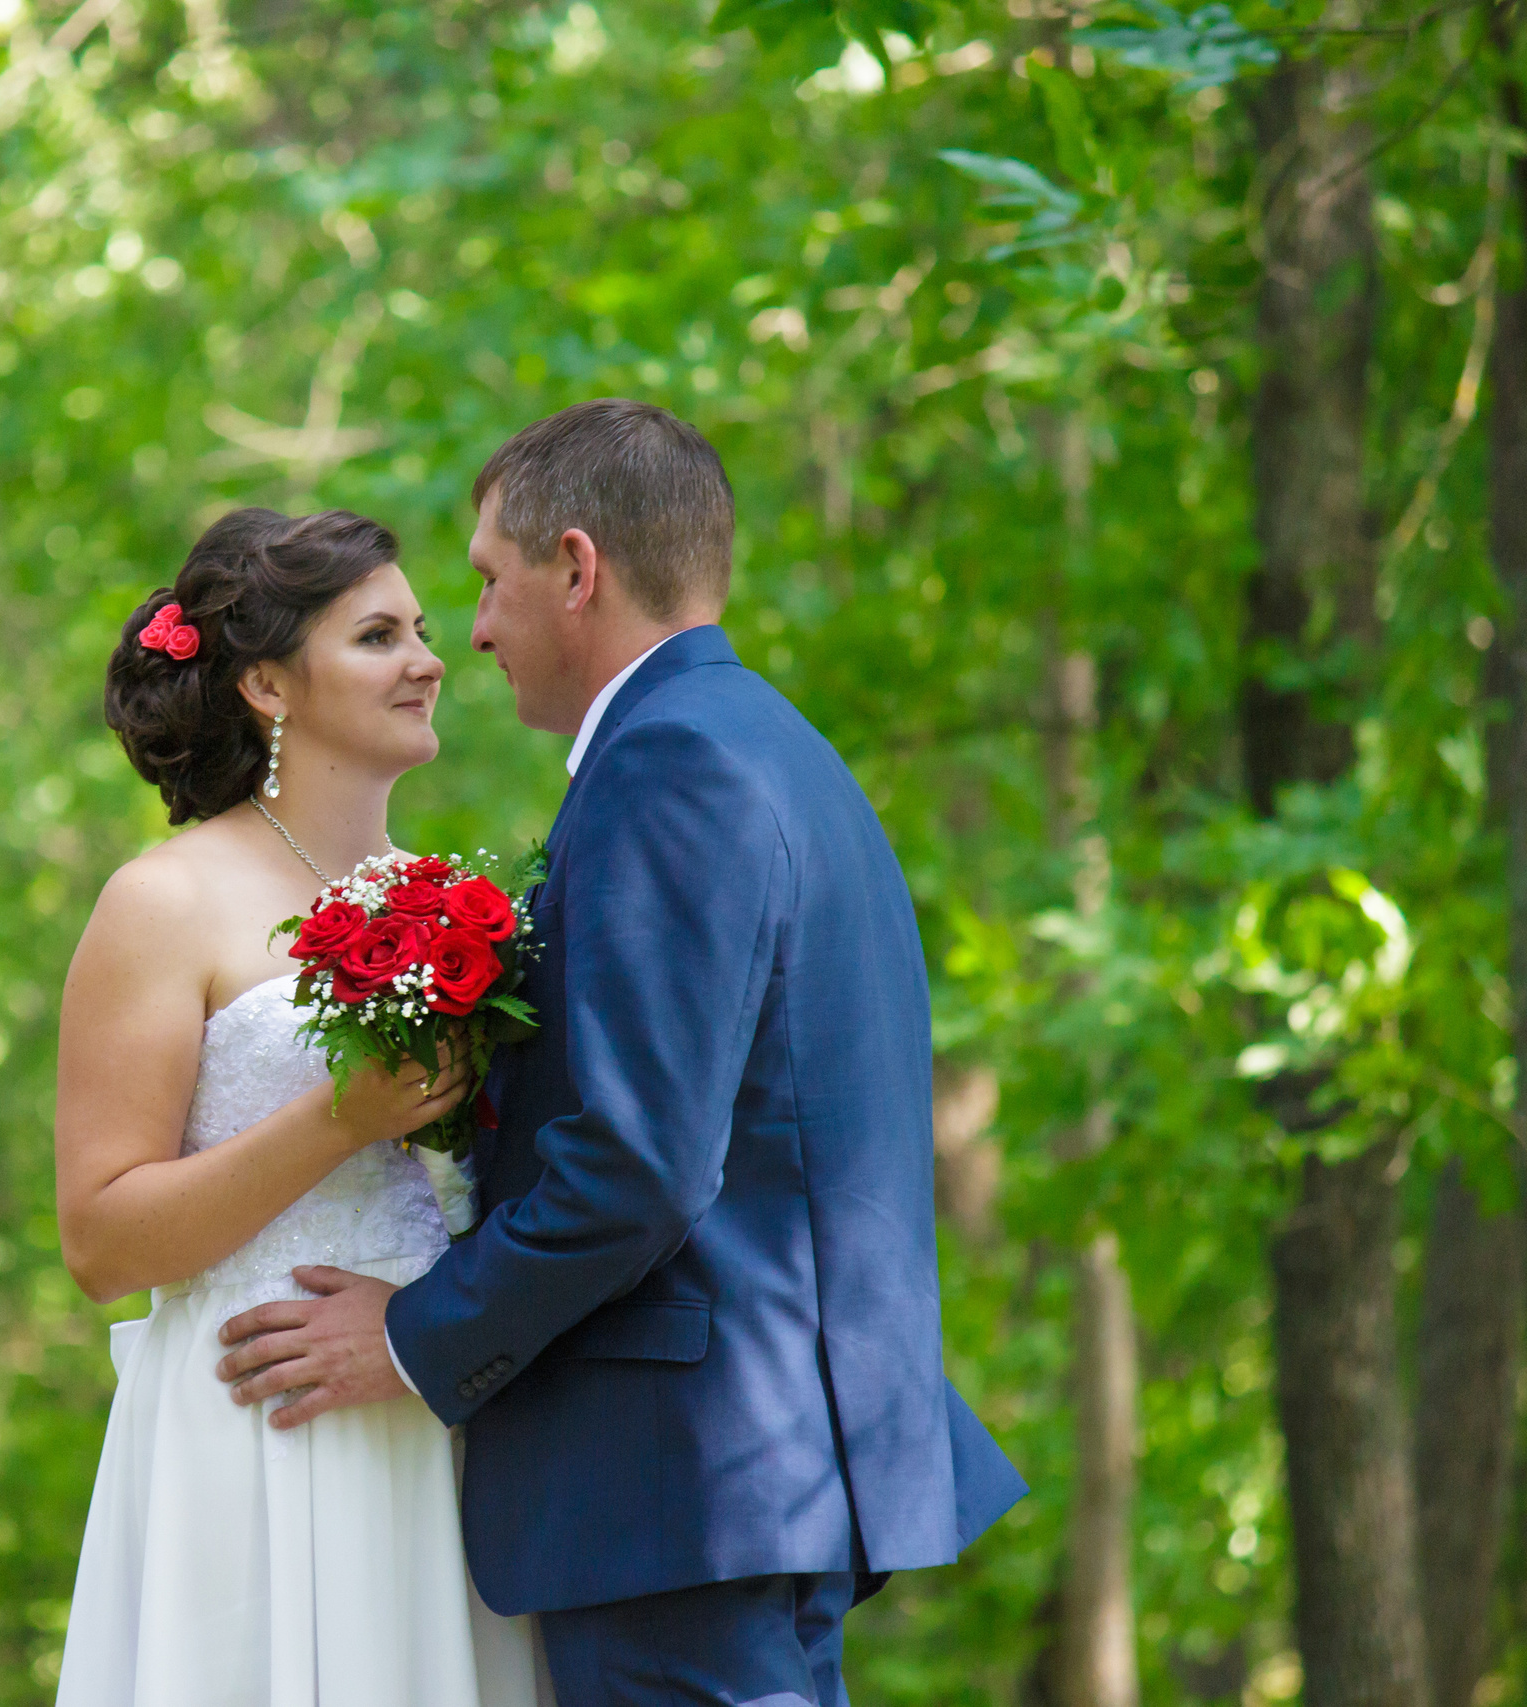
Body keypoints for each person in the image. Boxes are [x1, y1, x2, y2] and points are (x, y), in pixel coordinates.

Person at [213, 401, 1027, 1707]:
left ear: (577, 568)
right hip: (743, 1474)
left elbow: (641, 1161)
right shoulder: (773, 747)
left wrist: (421, 1335)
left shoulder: (668, 767)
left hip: (682, 1480)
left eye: (486, 580)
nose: (470, 630)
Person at [50, 507, 548, 1707]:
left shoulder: (437, 901)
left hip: (425, 1402)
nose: (431, 659)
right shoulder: (162, 901)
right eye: (379, 636)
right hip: (254, 1418)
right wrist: (336, 1119)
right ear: (268, 684)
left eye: (423, 630)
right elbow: (101, 1240)